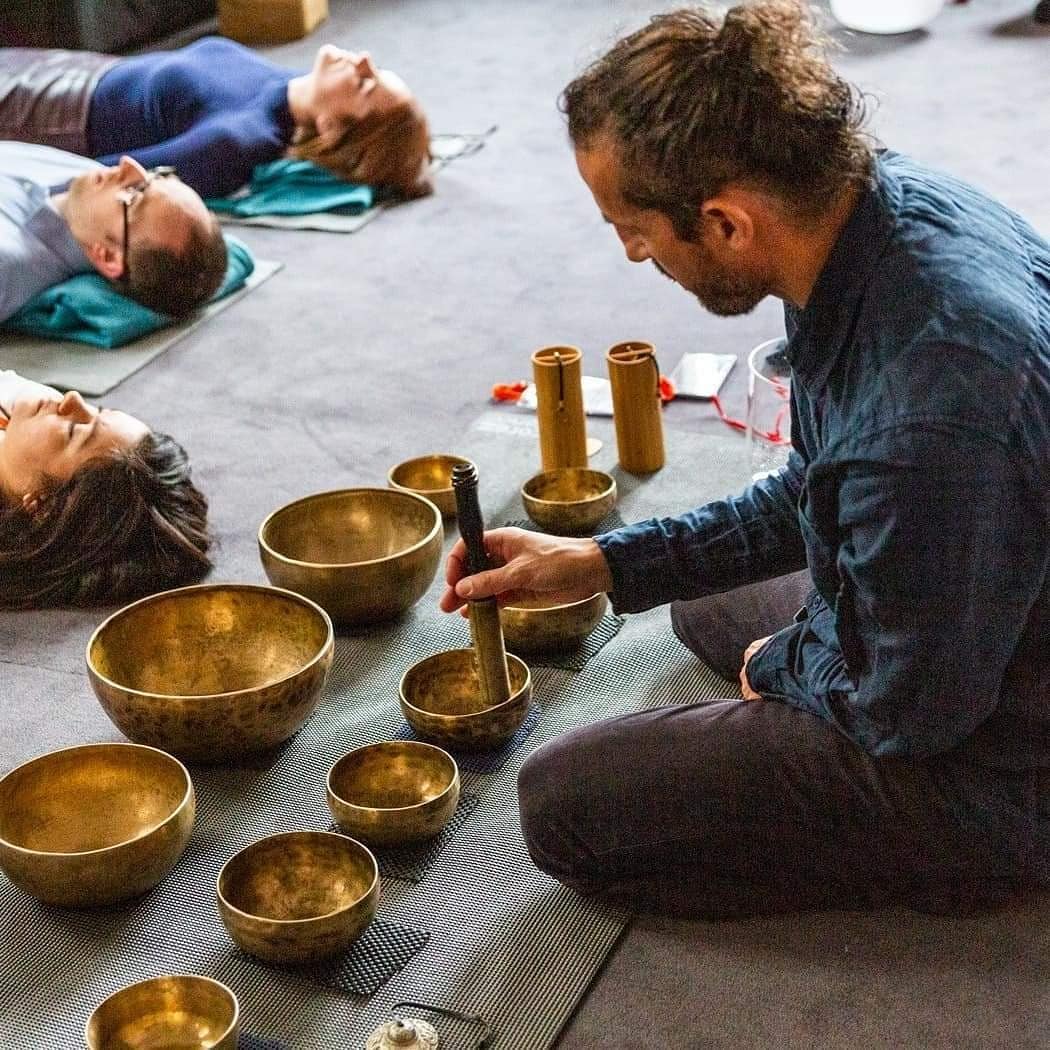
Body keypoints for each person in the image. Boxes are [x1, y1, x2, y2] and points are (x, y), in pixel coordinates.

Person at [441, 0, 1050, 918]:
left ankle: (962, 859)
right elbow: (822, 484)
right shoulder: (868, 210)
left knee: (565, 808)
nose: (633, 252)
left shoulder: (929, 418)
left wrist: (786, 666)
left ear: (725, 222)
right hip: (982, 586)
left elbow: (907, 715)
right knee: (698, 599)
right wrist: (605, 562)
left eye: (633, 227)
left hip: (1000, 744)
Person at [0, 38, 432, 202]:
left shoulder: (237, 139)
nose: (365, 62)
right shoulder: (281, 83)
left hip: (40, 111)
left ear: (331, 129)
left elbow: (90, 180)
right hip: (64, 66)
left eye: (366, 86)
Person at [0, 370, 211, 609]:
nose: (72, 399)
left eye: (73, 431)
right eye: (98, 410)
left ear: (44, 508)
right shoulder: (24, 405)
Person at [0, 140, 227, 321]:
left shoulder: (7, 266)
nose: (128, 164)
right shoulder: (90, 184)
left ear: (108, 257)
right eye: (157, 175)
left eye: (134, 193)